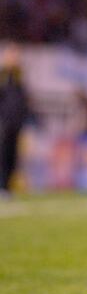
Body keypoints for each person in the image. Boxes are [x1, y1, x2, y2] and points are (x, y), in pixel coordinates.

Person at [0, 44, 29, 195]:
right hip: (4, 123)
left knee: (13, 156)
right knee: (3, 155)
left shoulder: (19, 78)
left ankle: (7, 187)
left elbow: (23, 101)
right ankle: (2, 185)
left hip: (16, 123)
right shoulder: (2, 77)